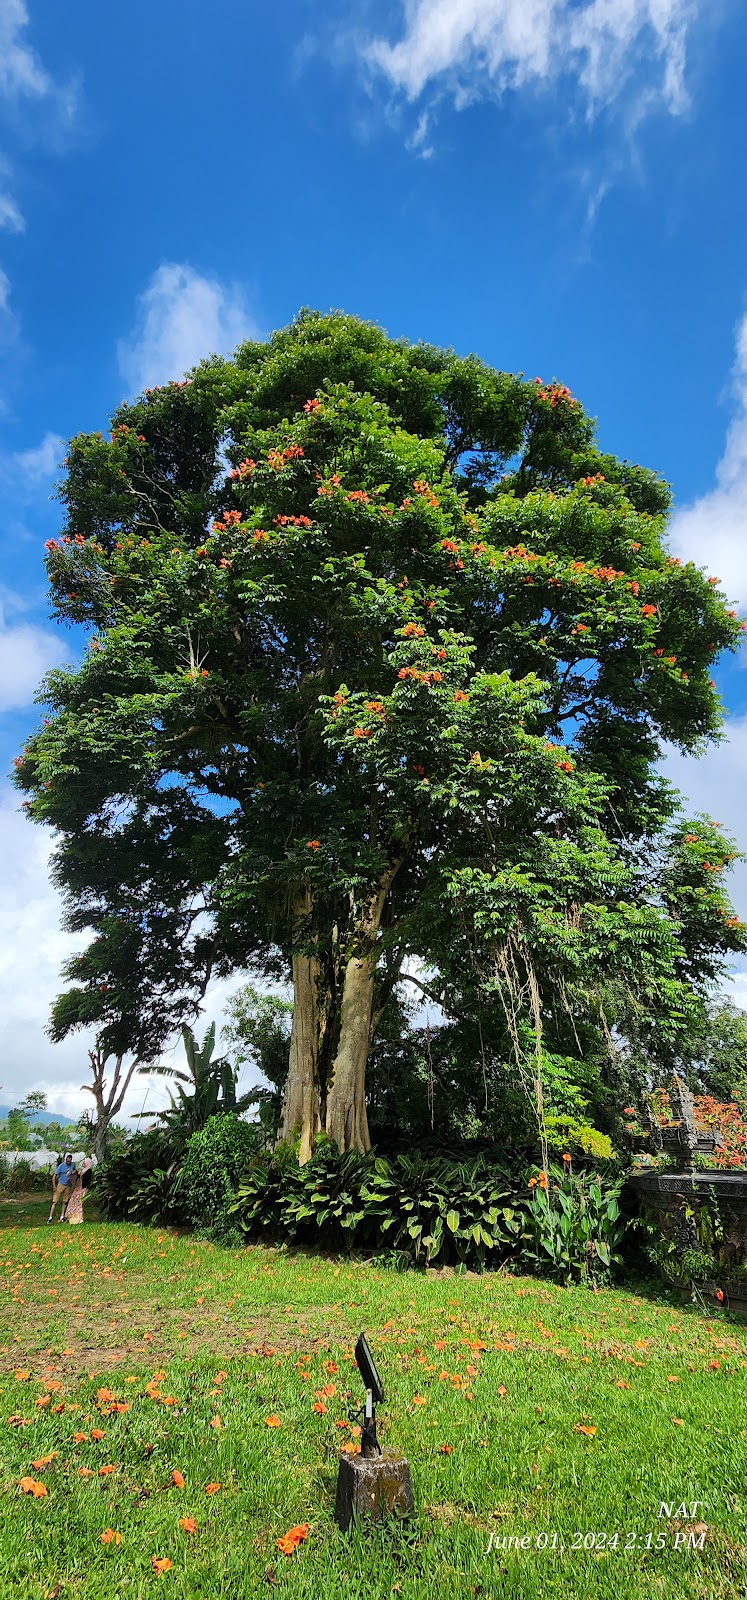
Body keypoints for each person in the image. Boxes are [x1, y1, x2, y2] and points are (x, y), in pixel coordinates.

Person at [48, 1152, 76, 1223]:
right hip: (61, 1184)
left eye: (70, 1161)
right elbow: (54, 1176)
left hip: (68, 1185)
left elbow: (75, 1171)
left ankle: (62, 1216)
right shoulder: (61, 1166)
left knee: (65, 1201)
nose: (69, 1162)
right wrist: (54, 1186)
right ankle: (50, 1217)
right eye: (67, 1161)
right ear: (65, 1160)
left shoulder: (73, 1164)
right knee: (55, 1201)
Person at [65, 1157, 93, 1225]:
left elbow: (87, 1181)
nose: (83, 1163)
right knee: (73, 1200)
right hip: (78, 1187)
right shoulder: (82, 1170)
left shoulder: (88, 1171)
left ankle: (79, 1217)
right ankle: (72, 1215)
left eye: (84, 1162)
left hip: (83, 1188)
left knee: (79, 1202)